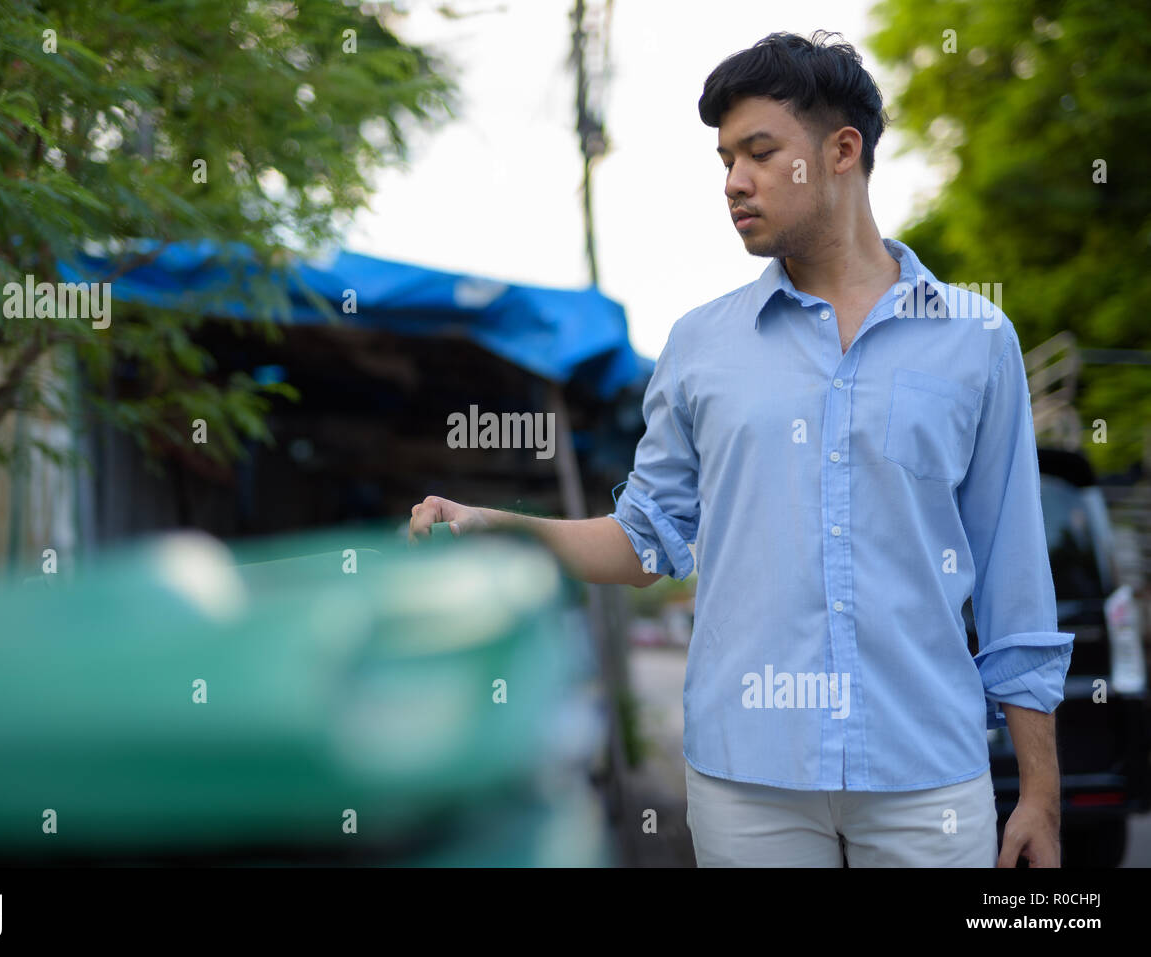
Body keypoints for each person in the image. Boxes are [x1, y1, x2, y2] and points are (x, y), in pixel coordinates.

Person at [407, 30, 1072, 868]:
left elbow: (1015, 579)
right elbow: (644, 542)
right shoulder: (699, 347)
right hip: (746, 779)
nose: (734, 182)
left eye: (760, 152)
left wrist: (1041, 795)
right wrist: (489, 524)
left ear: (841, 151)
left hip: (926, 775)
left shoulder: (976, 339)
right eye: (725, 159)